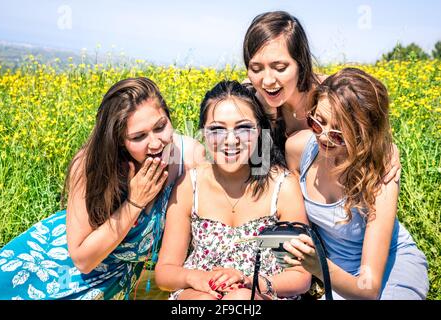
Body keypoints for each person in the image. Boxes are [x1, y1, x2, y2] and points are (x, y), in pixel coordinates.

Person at [0, 77, 204, 300]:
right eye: (139, 136)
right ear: (119, 139)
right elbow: (83, 260)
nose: (155, 143)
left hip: (114, 282)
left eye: (160, 127)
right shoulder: (91, 164)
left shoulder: (187, 157)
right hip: (52, 269)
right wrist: (135, 202)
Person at [154, 80, 311, 300]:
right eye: (217, 129)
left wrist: (249, 282)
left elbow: (300, 276)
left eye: (243, 128)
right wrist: (196, 278)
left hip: (263, 293)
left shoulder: (282, 186)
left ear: (260, 131)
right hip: (199, 292)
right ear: (203, 133)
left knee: (240, 299)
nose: (230, 140)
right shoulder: (190, 184)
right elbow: (165, 271)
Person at [283, 68, 429, 300]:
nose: (323, 137)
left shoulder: (379, 175)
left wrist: (320, 266)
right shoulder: (298, 149)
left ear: (363, 133)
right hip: (337, 273)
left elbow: (369, 288)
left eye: (339, 134)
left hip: (389, 268)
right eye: (317, 122)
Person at [243, 11, 401, 183]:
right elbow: (260, 170)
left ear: (300, 63)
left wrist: (388, 148)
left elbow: (371, 132)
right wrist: (267, 118)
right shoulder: (252, 102)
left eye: (280, 68)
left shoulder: (331, 93)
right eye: (256, 69)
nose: (267, 81)